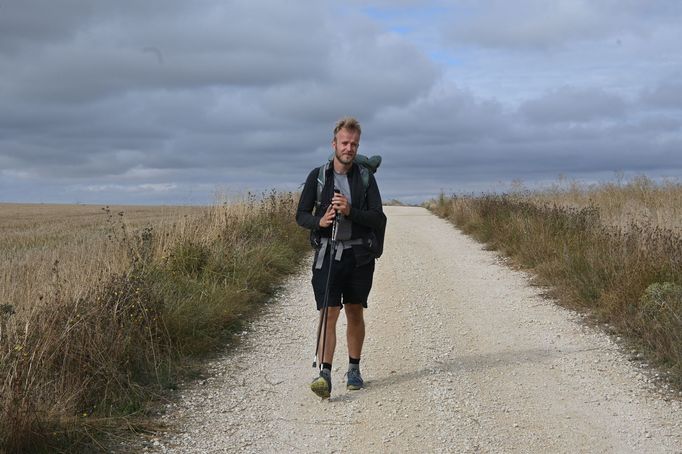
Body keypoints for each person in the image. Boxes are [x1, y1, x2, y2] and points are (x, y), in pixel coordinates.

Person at [296, 117, 386, 398]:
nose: (349, 148)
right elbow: (301, 215)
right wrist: (320, 222)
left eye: (354, 144)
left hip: (359, 256)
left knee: (354, 311)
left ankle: (354, 369)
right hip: (328, 254)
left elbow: (378, 218)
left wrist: (350, 211)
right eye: (345, 143)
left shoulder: (365, 178)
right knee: (328, 313)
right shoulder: (318, 175)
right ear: (334, 143)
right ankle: (324, 374)